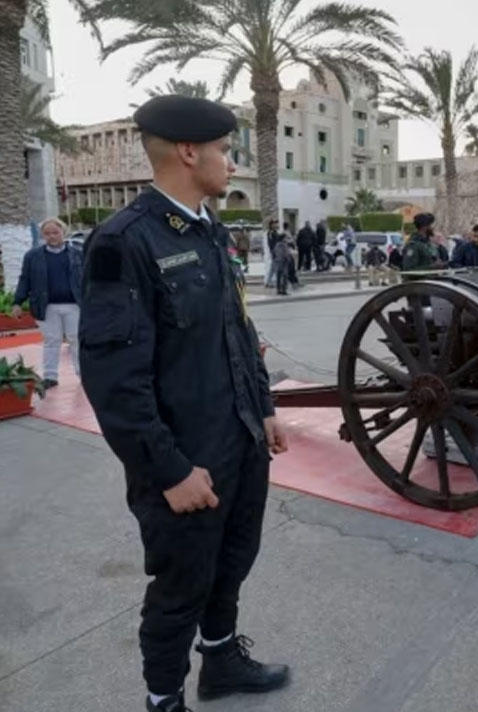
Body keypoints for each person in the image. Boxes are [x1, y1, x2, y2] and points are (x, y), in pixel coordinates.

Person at [77, 95, 290, 712]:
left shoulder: (210, 231)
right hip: (183, 458)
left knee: (231, 562)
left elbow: (239, 332)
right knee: (179, 587)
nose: (231, 161)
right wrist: (167, 470)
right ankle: (162, 699)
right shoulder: (125, 243)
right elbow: (115, 380)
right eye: (224, 150)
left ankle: (220, 662)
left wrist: (265, 407)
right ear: (189, 151)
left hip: (239, 441)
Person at [12, 217, 83, 387]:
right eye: (47, 233)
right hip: (47, 306)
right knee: (52, 341)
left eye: (55, 232)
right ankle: (50, 376)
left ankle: (83, 374)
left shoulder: (77, 254)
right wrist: (17, 302)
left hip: (74, 305)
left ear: (63, 232)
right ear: (42, 235)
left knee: (76, 340)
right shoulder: (32, 256)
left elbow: (88, 278)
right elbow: (25, 279)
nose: (51, 236)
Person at [262, 220, 280, 288]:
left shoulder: (274, 232)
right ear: (271, 225)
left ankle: (268, 282)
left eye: (276, 224)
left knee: (272, 269)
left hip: (276, 252)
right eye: (274, 224)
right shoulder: (270, 233)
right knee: (274, 268)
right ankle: (270, 282)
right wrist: (273, 252)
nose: (276, 225)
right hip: (274, 252)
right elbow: (271, 243)